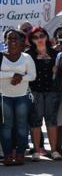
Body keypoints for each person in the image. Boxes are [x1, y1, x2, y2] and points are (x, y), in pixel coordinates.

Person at [1, 30, 36, 165]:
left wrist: (20, 78)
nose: (13, 40)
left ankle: (20, 154)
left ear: (21, 41)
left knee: (22, 126)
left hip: (22, 96)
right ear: (5, 41)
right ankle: (8, 155)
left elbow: (32, 76)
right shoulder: (0, 56)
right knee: (6, 126)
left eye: (15, 38)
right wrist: (13, 74)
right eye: (10, 38)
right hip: (4, 96)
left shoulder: (26, 57)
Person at [27, 27, 62, 161]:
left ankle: (54, 150)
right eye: (35, 37)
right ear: (31, 40)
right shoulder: (28, 54)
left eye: (41, 36)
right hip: (35, 91)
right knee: (35, 121)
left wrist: (57, 70)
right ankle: (36, 151)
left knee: (51, 120)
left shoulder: (55, 54)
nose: (39, 39)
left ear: (46, 37)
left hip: (52, 91)